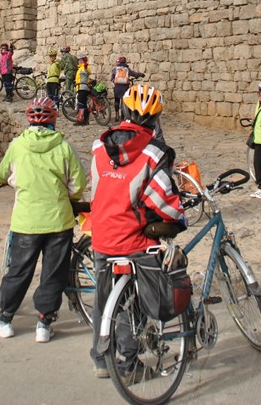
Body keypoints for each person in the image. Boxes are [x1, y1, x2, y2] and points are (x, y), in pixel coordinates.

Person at [88, 84, 187, 377]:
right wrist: (179, 218)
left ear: (122, 110)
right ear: (155, 119)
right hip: (133, 240)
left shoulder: (98, 147)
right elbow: (162, 200)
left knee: (103, 298)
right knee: (139, 300)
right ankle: (128, 362)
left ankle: (100, 359)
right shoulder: (155, 153)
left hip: (102, 235)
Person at [0, 97, 87, 343]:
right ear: (54, 119)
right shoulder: (65, 147)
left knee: (18, 271)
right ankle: (44, 322)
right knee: (53, 273)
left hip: (26, 221)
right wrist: (68, 197)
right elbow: (78, 184)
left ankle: (5, 319)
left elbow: (3, 173)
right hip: (59, 220)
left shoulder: (17, 145)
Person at [109, 56, 145, 121]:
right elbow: (135, 74)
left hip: (117, 87)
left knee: (117, 101)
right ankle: (122, 117)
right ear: (125, 62)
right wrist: (141, 74)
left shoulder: (115, 69)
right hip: (125, 87)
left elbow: (112, 78)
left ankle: (117, 116)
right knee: (124, 102)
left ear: (118, 62)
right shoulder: (127, 69)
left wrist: (114, 81)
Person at [75, 53, 91, 125]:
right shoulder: (81, 68)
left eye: (79, 60)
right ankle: (85, 120)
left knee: (81, 104)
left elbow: (86, 72)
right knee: (84, 104)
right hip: (81, 87)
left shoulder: (84, 67)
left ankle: (80, 120)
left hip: (82, 88)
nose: (78, 61)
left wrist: (84, 64)